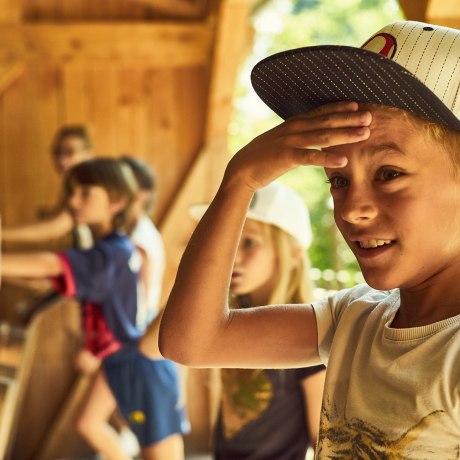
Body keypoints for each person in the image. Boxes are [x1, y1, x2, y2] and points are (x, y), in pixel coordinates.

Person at [159, 20, 460, 458]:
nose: (352, 208)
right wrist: (239, 182)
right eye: (338, 180)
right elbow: (192, 341)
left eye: (389, 174)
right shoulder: (354, 320)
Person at [1, 158, 188, 460]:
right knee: (89, 423)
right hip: (119, 360)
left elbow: (51, 263)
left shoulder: (113, 253)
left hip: (142, 363)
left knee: (161, 454)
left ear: (117, 202)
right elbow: (48, 276)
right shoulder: (107, 250)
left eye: (85, 193)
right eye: (72, 192)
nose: (73, 201)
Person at [189, 182, 326, 459]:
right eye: (230, 243)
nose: (233, 257)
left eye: (249, 242)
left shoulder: (307, 329)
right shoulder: (227, 319)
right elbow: (149, 346)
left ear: (293, 251)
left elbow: (321, 437)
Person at [2, 125, 94, 247]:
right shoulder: (71, 185)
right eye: (57, 152)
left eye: (69, 152)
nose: (62, 160)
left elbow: (55, 228)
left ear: (89, 154)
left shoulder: (92, 185)